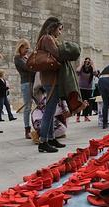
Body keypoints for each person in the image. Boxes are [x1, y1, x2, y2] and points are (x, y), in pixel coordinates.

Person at [35, 17, 66, 153]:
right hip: (50, 80)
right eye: (59, 29)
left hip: (50, 78)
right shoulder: (47, 38)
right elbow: (58, 53)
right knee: (49, 110)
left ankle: (51, 138)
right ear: (53, 27)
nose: (60, 32)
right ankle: (43, 142)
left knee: (52, 109)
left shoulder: (46, 38)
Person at [14, 38, 35, 139]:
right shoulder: (17, 58)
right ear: (21, 47)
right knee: (28, 108)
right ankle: (27, 130)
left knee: (41, 104)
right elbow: (29, 68)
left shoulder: (26, 57)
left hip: (33, 83)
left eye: (28, 48)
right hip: (26, 84)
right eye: (26, 48)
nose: (28, 50)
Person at [76, 57, 96, 122]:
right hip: (81, 88)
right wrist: (81, 64)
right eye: (86, 61)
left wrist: (93, 65)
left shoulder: (91, 69)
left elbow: (95, 72)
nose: (87, 63)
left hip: (89, 88)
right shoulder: (81, 69)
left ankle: (86, 116)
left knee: (87, 102)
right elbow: (77, 71)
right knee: (80, 102)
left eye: (88, 62)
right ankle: (78, 116)